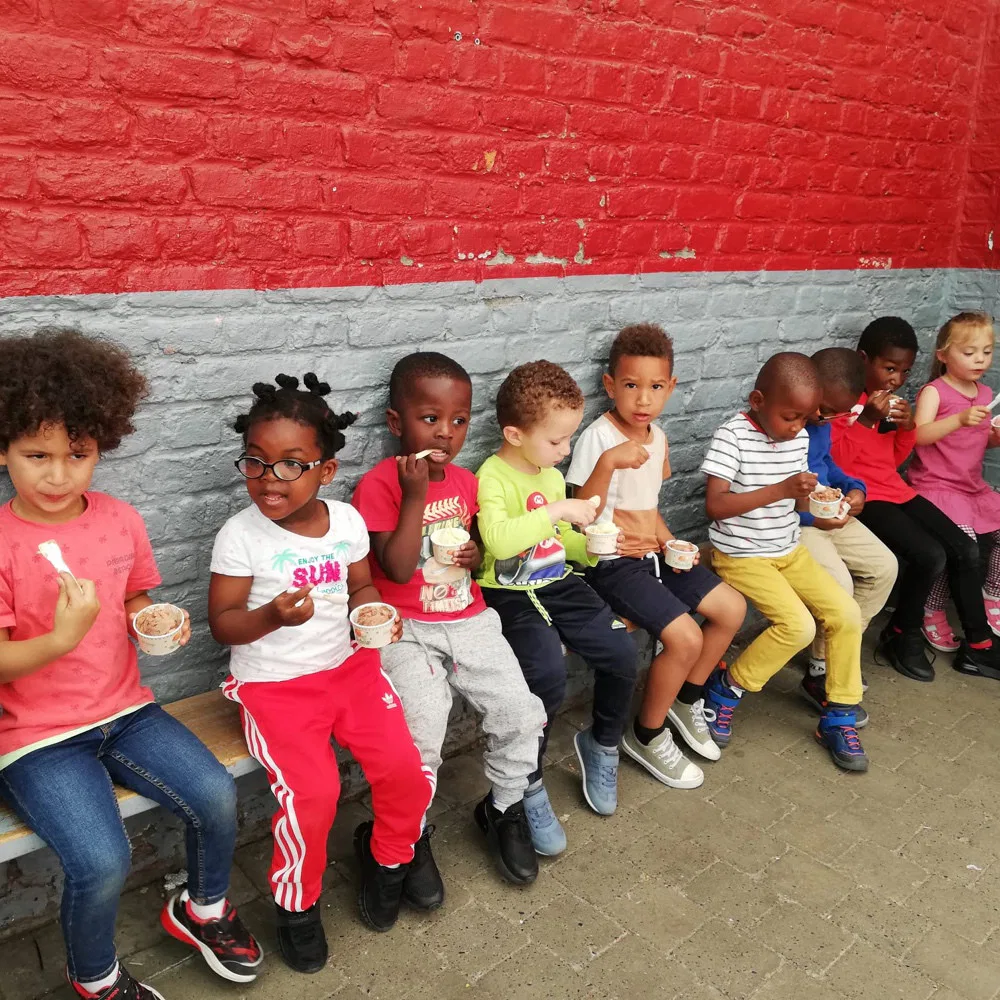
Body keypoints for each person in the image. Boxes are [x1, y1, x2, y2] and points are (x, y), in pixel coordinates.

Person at [0, 329, 261, 1000]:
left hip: (127, 711)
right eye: (36, 455)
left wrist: (152, 621)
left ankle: (201, 908)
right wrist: (60, 639)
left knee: (215, 795)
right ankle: (96, 978)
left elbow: (132, 598)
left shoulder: (118, 520)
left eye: (78, 455)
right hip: (38, 738)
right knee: (102, 859)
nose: (58, 475)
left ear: (101, 447)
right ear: (4, 450)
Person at [208, 374, 432, 974]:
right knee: (313, 794)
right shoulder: (241, 536)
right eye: (255, 461)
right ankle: (297, 906)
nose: (268, 478)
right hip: (275, 687)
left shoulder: (347, 522)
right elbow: (223, 624)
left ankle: (389, 861)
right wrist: (270, 617)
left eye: (290, 464)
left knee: (405, 770)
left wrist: (371, 613)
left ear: (326, 471)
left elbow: (361, 585)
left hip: (350, 670)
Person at [351, 352, 546, 892]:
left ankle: (504, 807)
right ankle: (406, 835)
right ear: (397, 423)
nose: (445, 432)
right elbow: (394, 568)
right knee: (422, 729)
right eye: (430, 418)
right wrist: (414, 494)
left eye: (459, 420)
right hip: (405, 629)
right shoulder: (379, 484)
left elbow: (478, 553)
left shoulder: (464, 481)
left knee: (519, 711)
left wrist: (475, 555)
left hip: (467, 617)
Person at [565, 324, 746, 788]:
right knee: (685, 637)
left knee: (731, 608)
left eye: (656, 387)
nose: (643, 399)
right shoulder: (597, 438)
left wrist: (671, 543)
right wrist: (609, 463)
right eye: (631, 385)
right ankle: (646, 734)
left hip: (653, 554)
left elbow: (649, 507)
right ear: (610, 386)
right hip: (611, 564)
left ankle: (686, 700)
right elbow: (580, 513)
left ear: (671, 387)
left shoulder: (658, 437)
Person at [475, 361, 638, 850]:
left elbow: (559, 539)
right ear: (514, 434)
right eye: (556, 440)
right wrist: (559, 509)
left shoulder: (548, 474)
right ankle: (527, 781)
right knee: (545, 673)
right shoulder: (491, 477)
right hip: (508, 593)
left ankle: (602, 744)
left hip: (556, 582)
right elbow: (499, 541)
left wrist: (591, 547)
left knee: (622, 652)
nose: (566, 450)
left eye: (568, 438)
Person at [701, 352, 869, 772]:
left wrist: (828, 512)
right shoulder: (733, 437)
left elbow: (798, 503)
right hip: (741, 554)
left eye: (804, 418)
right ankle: (726, 688)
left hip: (789, 550)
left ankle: (839, 715)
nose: (798, 427)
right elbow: (715, 506)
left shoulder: (800, 437)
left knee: (846, 614)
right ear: (758, 400)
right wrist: (780, 490)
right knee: (798, 626)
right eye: (790, 417)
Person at [830, 317, 1000, 681]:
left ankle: (979, 645)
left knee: (965, 548)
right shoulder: (841, 400)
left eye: (905, 371)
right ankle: (901, 633)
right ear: (864, 359)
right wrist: (866, 421)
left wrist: (906, 428)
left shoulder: (890, 402)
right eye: (889, 368)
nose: (897, 379)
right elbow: (837, 464)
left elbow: (892, 459)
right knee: (930, 554)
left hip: (895, 488)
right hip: (863, 495)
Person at [798, 348, 898, 716]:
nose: (824, 418)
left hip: (832, 512)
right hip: (801, 521)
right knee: (840, 585)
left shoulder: (821, 423)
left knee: (884, 567)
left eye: (834, 414)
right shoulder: (787, 422)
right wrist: (812, 516)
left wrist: (855, 488)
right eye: (823, 409)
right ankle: (822, 671)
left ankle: (834, 655)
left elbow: (827, 463)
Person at [910, 312, 1000, 657]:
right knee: (963, 545)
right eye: (969, 352)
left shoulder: (985, 393)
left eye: (987, 352)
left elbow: (975, 441)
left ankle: (993, 593)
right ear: (943, 355)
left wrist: (995, 437)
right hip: (935, 486)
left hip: (971, 487)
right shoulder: (935, 392)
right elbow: (918, 436)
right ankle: (931, 608)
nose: (980, 359)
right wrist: (959, 419)